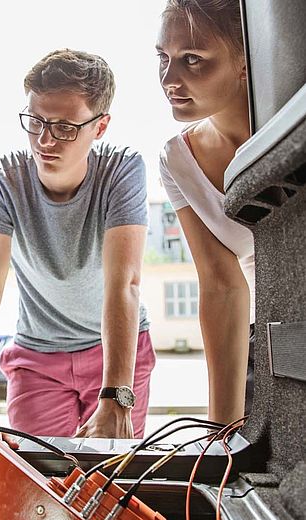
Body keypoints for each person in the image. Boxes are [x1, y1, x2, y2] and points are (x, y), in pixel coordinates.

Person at [0, 49, 156, 439]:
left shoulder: (122, 170)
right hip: (36, 354)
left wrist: (116, 395)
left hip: (114, 354)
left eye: (64, 127)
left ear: (101, 126)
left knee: (111, 477)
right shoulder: (1, 178)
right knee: (36, 477)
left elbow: (124, 282)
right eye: (36, 121)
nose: (44, 140)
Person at [157, 0, 253, 424]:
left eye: (192, 60)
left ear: (247, 61)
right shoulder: (177, 160)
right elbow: (221, 286)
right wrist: (221, 431)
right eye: (163, 58)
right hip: (271, 348)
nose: (168, 79)